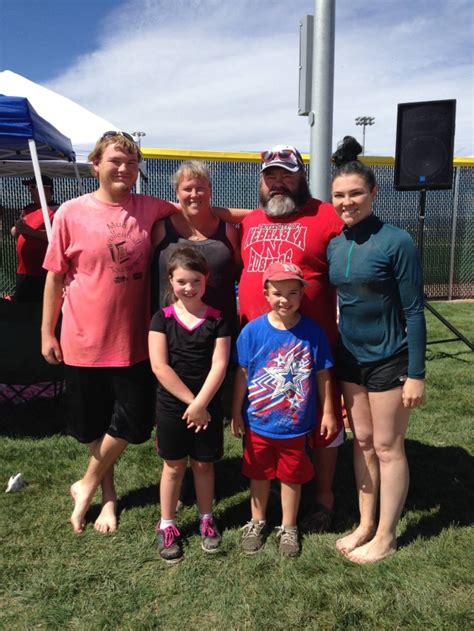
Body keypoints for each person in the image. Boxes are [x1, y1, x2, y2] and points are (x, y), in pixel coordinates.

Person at [41, 131, 179, 535]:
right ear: (96, 165)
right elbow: (54, 278)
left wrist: (262, 218)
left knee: (134, 423)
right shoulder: (70, 212)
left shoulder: (149, 207)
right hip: (83, 339)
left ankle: (83, 483)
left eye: (131, 163)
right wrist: (47, 333)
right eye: (115, 161)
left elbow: (199, 208)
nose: (123, 169)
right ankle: (108, 498)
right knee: (94, 424)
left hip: (133, 341)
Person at [222, 145, 344, 530]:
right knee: (261, 416)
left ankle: (323, 498)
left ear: (302, 177)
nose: (278, 182)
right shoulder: (251, 221)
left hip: (309, 345)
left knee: (323, 421)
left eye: (287, 175)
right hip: (258, 348)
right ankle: (270, 489)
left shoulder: (325, 215)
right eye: (271, 175)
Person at [328, 136, 426, 564]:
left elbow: (415, 311)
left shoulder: (396, 241)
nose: (346, 202)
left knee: (388, 447)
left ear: (373, 193)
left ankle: (386, 535)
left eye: (355, 194)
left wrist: (417, 372)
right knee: (362, 442)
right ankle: (366, 523)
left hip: (390, 358)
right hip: (350, 358)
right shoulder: (337, 243)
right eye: (339, 195)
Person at [231, 262, 337, 557]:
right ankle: (257, 521)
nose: (285, 300)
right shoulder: (252, 332)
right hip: (259, 423)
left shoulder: (312, 333)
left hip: (295, 426)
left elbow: (323, 374)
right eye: (277, 293)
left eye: (293, 292)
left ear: (303, 294)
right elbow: (241, 373)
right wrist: (237, 411)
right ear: (265, 293)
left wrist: (328, 411)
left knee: (292, 477)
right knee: (259, 474)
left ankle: (288, 528)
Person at [149, 247, 231, 563]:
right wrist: (191, 404)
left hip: (207, 406)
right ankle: (167, 523)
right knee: (173, 465)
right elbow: (160, 367)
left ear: (205, 280)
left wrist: (202, 404)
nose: (189, 287)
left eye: (195, 280)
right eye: (182, 281)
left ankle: (206, 517)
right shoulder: (161, 319)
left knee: (204, 464)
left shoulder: (217, 320)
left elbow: (220, 365)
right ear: (171, 281)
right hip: (174, 407)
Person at [151, 160, 241, 331]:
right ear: (177, 192)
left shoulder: (228, 231)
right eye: (187, 189)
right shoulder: (160, 229)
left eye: (200, 188)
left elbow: (239, 274)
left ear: (210, 191)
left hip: (219, 333)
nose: (194, 194)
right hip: (170, 333)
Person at [11, 175, 58, 302]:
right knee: (22, 307)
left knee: (40, 307)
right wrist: (17, 228)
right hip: (24, 271)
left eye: (33, 187)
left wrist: (29, 232)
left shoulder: (57, 210)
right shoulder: (27, 209)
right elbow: (15, 232)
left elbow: (57, 237)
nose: (30, 191)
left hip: (43, 272)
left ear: (46, 189)